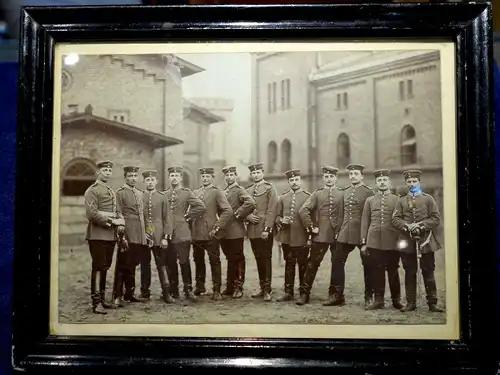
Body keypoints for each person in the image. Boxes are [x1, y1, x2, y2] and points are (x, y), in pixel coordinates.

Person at [392, 169, 444, 313]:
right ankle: (411, 303)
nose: (411, 184)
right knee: (410, 272)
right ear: (406, 183)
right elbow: (395, 219)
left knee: (428, 272)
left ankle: (432, 303)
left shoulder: (428, 199)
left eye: (414, 181)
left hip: (425, 241)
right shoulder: (401, 201)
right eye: (408, 182)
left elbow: (435, 218)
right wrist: (407, 226)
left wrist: (421, 225)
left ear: (419, 182)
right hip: (407, 242)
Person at [328, 163, 375, 307]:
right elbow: (341, 214)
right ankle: (338, 296)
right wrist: (338, 232)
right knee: (336, 262)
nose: (353, 176)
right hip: (345, 233)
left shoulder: (369, 192)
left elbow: (371, 215)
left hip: (362, 233)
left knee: (368, 265)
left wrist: (368, 236)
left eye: (356, 174)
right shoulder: (345, 191)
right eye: (351, 174)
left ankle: (369, 297)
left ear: (362, 176)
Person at [297, 165, 344, 306]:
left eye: (331, 177)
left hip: (338, 234)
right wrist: (311, 227)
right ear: (323, 178)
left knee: (337, 265)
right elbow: (303, 211)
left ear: (336, 178)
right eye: (326, 177)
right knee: (312, 264)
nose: (329, 179)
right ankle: (304, 294)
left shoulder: (342, 194)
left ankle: (336, 295)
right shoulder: (317, 194)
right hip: (321, 235)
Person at [84, 160, 124, 314]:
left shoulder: (111, 190)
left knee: (105, 267)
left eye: (109, 170)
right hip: (98, 234)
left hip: (110, 235)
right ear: (98, 172)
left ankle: (102, 299)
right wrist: (113, 221)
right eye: (104, 170)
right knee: (98, 267)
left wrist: (121, 221)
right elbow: (92, 214)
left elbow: (117, 210)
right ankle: (96, 303)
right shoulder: (92, 190)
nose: (107, 173)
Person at [360, 169, 403, 310]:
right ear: (376, 183)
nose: (382, 182)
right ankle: (378, 300)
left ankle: (396, 300)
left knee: (393, 271)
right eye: (379, 180)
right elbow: (365, 222)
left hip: (392, 241)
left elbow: (400, 221)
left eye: (384, 180)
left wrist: (400, 242)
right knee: (377, 271)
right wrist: (364, 242)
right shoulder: (370, 200)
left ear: (389, 183)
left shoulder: (397, 199)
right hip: (374, 241)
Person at [164, 166, 206, 301]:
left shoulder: (187, 193)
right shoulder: (164, 194)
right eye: (172, 175)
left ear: (181, 178)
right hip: (168, 233)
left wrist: (187, 217)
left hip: (182, 233)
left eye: (177, 175)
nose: (174, 178)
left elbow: (201, 207)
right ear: (169, 178)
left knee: (184, 261)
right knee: (170, 262)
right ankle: (173, 290)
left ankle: (188, 289)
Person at [191, 167, 233, 300]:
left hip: (211, 232)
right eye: (203, 176)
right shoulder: (195, 192)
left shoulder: (217, 192)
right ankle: (200, 286)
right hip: (196, 232)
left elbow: (228, 211)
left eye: (208, 176)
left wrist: (217, 227)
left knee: (214, 261)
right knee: (198, 260)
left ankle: (216, 289)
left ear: (212, 178)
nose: (205, 178)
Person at [274, 169, 311, 302]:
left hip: (302, 236)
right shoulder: (283, 198)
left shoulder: (308, 196)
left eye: (296, 180)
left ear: (300, 181)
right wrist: (281, 220)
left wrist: (310, 237)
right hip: (287, 236)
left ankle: (303, 292)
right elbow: (277, 216)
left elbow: (311, 217)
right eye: (291, 180)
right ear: (288, 182)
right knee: (289, 264)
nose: (294, 182)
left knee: (302, 265)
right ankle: (288, 292)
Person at [219, 165, 256, 298]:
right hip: (224, 231)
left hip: (236, 230)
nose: (229, 177)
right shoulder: (223, 191)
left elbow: (250, 203)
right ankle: (230, 286)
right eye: (227, 175)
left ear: (236, 176)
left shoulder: (239, 190)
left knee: (238, 258)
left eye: (231, 175)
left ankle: (238, 287)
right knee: (230, 258)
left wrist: (238, 214)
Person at [113, 165, 148, 305]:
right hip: (127, 233)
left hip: (139, 235)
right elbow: (118, 212)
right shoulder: (120, 193)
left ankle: (129, 293)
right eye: (130, 176)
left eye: (135, 176)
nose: (133, 178)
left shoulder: (140, 193)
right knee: (122, 265)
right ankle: (117, 295)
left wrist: (147, 234)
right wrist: (122, 237)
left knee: (133, 264)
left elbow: (144, 216)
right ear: (125, 178)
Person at [245, 162, 279, 301]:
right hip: (252, 230)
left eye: (258, 172)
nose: (256, 175)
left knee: (266, 258)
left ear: (262, 173)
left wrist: (267, 229)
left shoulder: (270, 188)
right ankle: (261, 287)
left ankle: (267, 289)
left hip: (264, 229)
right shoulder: (248, 190)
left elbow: (272, 210)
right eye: (253, 173)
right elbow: (243, 208)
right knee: (258, 258)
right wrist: (246, 216)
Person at [142, 169, 175, 304]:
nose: (150, 182)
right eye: (147, 180)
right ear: (144, 182)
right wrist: (145, 233)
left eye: (152, 180)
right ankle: (145, 293)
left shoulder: (162, 197)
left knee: (162, 264)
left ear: (156, 181)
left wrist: (165, 237)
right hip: (144, 235)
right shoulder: (140, 196)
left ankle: (166, 292)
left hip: (159, 235)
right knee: (145, 264)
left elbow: (168, 218)